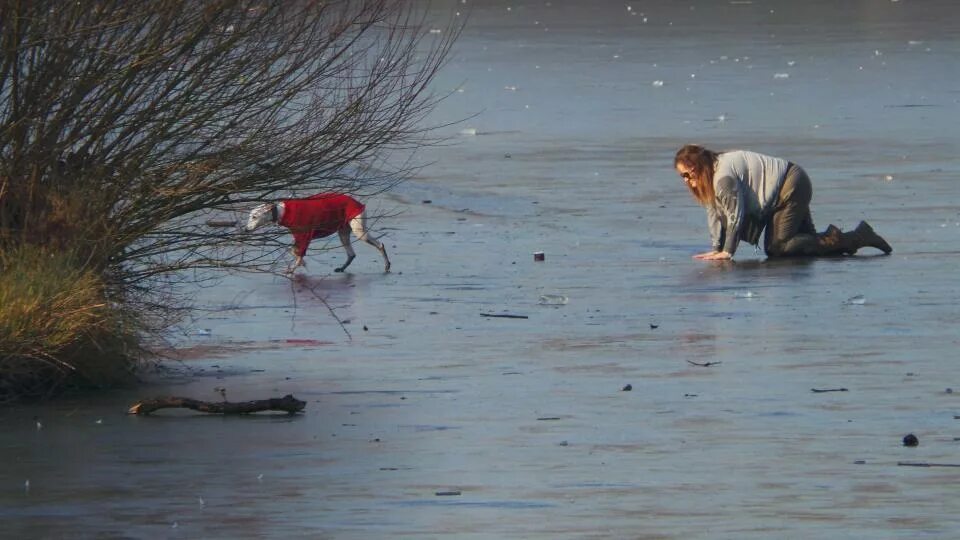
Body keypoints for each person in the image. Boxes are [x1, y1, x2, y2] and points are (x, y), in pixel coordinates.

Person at [673, 144, 891, 261]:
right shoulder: (713, 173)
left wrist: (728, 251)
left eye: (687, 175)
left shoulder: (722, 178)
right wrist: (716, 248)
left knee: (778, 247)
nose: (686, 181)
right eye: (682, 176)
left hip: (790, 186)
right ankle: (854, 238)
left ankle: (858, 236)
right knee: (805, 245)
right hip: (783, 187)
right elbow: (714, 210)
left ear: (697, 167)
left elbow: (734, 214)